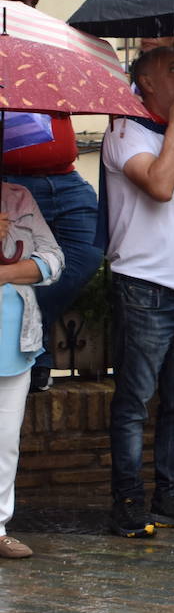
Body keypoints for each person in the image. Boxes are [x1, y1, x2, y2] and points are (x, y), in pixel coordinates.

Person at [102, 46, 174, 537]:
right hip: (143, 289)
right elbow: (160, 185)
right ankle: (128, 502)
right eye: (173, 69)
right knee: (135, 401)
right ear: (145, 81)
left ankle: (170, 496)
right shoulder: (124, 130)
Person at [2, 0, 103, 394]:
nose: (31, 11)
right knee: (22, 264)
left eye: (36, 4)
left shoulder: (48, 47)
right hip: (14, 184)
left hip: (65, 178)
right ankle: (33, 350)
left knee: (91, 249)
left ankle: (30, 331)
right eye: (21, 2)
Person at [0, 181, 63, 558]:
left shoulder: (17, 197)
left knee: (5, 443)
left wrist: (5, 273)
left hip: (14, 344)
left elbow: (53, 260)